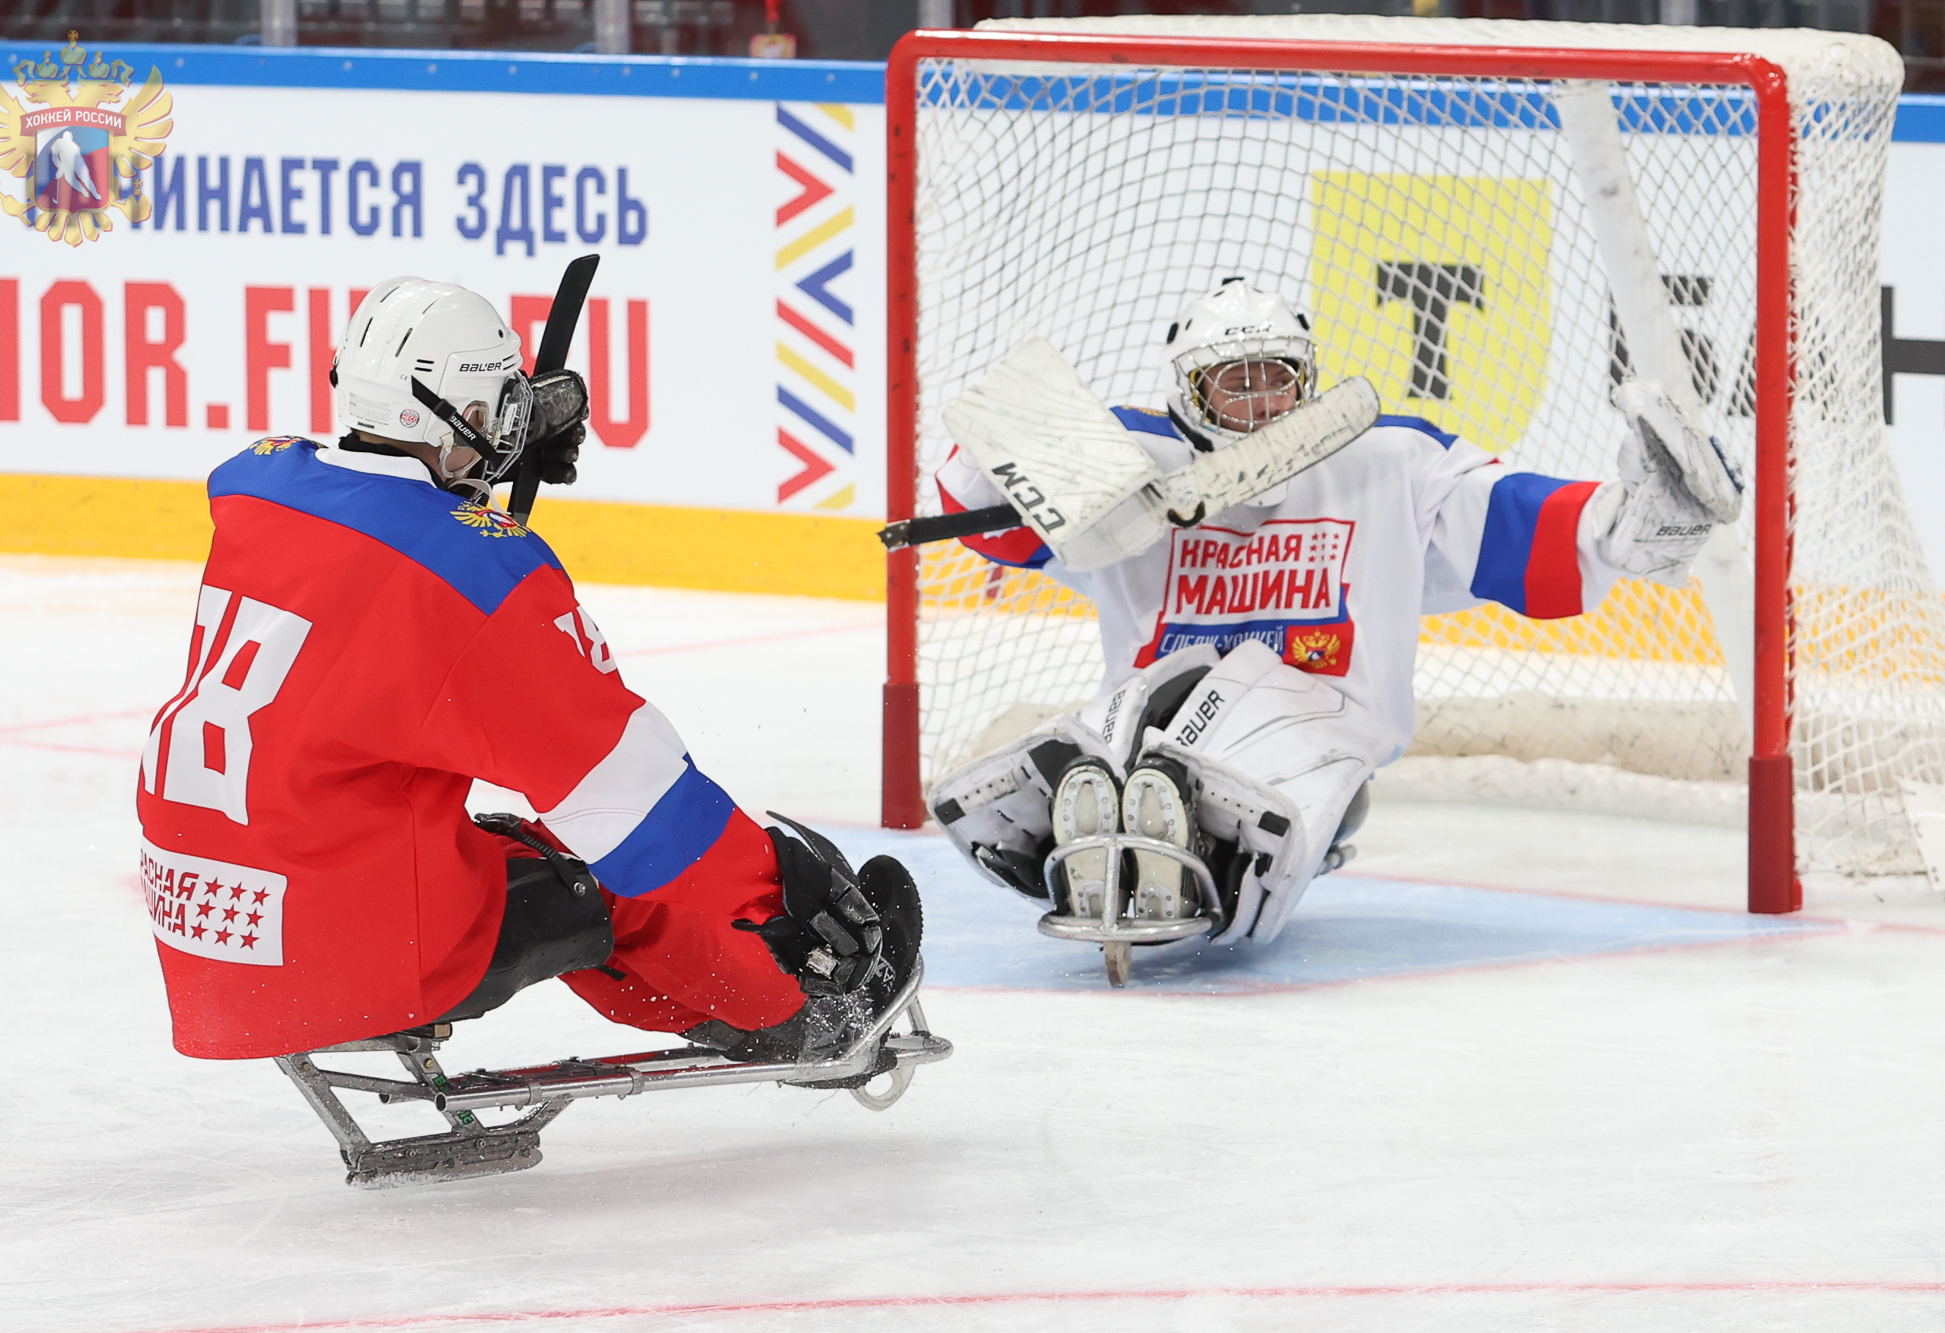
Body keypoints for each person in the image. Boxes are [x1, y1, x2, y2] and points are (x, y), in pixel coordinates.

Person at [136, 274, 920, 1072]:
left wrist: (469, 476)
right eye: (499, 409)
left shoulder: (257, 484)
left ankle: (752, 1007)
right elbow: (632, 800)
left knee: (509, 854)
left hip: (210, 924)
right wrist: (781, 891)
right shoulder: (475, 574)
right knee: (610, 879)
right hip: (336, 948)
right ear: (469, 414)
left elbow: (389, 542)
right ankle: (811, 1014)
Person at [927, 277, 1743, 956]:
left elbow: (1511, 521)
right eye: (1234, 383)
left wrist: (1622, 522)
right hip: (1151, 710)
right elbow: (978, 513)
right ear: (1189, 393)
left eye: (1276, 377)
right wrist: (1057, 454)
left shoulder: (1385, 461)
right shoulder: (1134, 461)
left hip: (1317, 733)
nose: (1261, 402)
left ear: (1307, 379)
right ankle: (1101, 812)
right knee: (1115, 725)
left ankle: (1168, 835)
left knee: (1249, 702)